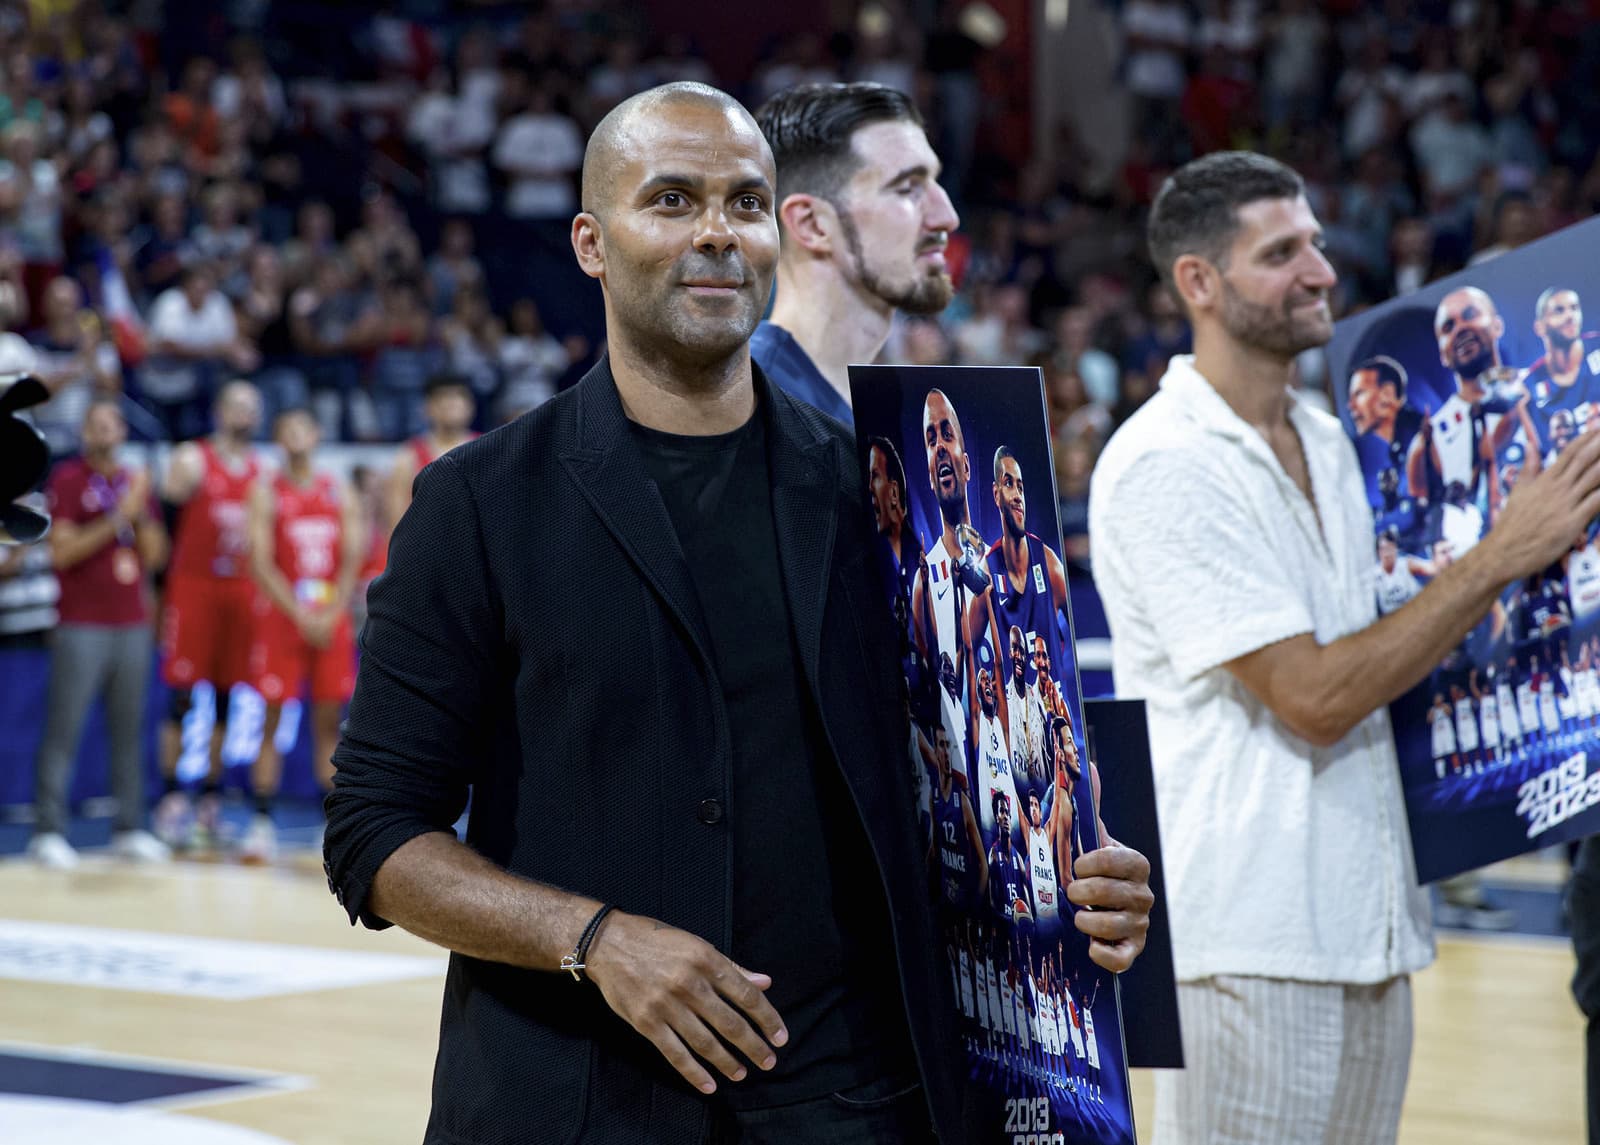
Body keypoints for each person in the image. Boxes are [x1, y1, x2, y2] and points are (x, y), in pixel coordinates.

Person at [323, 82, 1151, 1144]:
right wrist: (594, 937)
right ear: (590, 242)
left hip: (852, 1108)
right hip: (571, 1106)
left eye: (744, 202)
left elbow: (964, 788)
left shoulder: (876, 495)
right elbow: (374, 832)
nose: (715, 232)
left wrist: (1074, 882)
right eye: (670, 200)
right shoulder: (478, 503)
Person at [1088, 150, 1600, 1144]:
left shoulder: (1330, 436)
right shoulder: (1163, 461)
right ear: (1199, 281)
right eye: (1281, 252)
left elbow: (1415, 637)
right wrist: (1505, 551)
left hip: (1368, 925)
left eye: (1317, 241)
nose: (1322, 269)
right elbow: (1314, 695)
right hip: (1249, 939)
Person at [751, 82, 958, 421]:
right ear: (813, 224)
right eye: (908, 189)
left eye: (936, 183)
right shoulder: (747, 407)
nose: (947, 217)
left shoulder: (887, 405)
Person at [29, 398, 170, 869]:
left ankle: (129, 826)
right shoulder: (69, 479)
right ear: (86, 433)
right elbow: (62, 552)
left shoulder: (134, 484)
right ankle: (48, 831)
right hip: (81, 622)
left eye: (112, 424)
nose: (105, 432)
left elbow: (155, 557)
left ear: (123, 432)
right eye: (97, 424)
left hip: (131, 621)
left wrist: (141, 513)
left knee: (130, 729)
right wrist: (117, 518)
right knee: (64, 728)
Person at [242, 407, 362, 862]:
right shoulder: (266, 490)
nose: (295, 436)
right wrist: (300, 614)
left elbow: (352, 557)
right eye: (286, 428)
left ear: (316, 434)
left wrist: (331, 612)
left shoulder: (338, 488)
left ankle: (330, 825)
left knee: (327, 725)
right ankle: (260, 822)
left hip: (329, 620)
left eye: (302, 427)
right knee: (271, 720)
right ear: (277, 438)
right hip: (282, 619)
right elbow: (260, 561)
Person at [153, 380, 263, 849]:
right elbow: (163, 527)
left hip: (237, 591)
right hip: (193, 588)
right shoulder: (192, 459)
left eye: (251, 407)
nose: (244, 413)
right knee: (181, 696)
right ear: (219, 411)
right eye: (236, 404)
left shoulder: (260, 471)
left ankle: (211, 803)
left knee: (225, 699)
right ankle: (172, 799)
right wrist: (160, 594)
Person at [381, 372, 477, 556]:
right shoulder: (408, 458)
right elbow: (396, 523)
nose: (451, 404)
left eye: (457, 396)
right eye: (443, 398)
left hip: (473, 555)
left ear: (470, 406)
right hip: (426, 558)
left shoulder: (488, 451)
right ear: (427, 408)